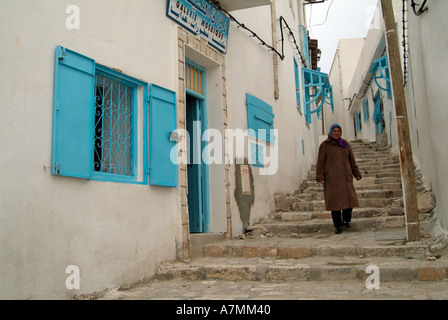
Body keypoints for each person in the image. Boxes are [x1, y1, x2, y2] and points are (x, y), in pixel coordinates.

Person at [316, 124, 362, 234]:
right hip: (332, 179)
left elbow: (352, 161)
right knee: (335, 204)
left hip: (346, 178)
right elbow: (320, 162)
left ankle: (346, 221)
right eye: (335, 131)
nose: (337, 133)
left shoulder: (345, 144)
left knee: (349, 201)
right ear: (331, 132)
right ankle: (338, 226)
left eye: (338, 131)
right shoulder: (325, 145)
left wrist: (356, 173)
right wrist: (320, 176)